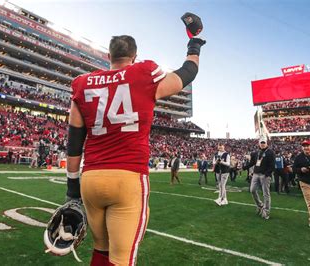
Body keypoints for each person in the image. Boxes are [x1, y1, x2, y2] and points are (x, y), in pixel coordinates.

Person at [63, 29, 205, 265]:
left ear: (108, 56)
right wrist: (194, 47)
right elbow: (187, 74)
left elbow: (74, 142)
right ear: (134, 57)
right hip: (128, 177)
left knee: (101, 251)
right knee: (122, 259)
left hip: (92, 179)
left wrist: (71, 189)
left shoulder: (82, 83)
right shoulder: (144, 71)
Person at [243, 136, 275, 219]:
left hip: (264, 175)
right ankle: (260, 205)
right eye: (261, 143)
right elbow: (252, 163)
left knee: (266, 194)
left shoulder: (270, 152)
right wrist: (244, 167)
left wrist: (267, 174)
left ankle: (266, 211)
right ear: (259, 143)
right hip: (256, 174)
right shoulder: (256, 153)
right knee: (252, 190)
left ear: (266, 143)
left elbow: (272, 165)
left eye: (264, 142)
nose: (263, 144)